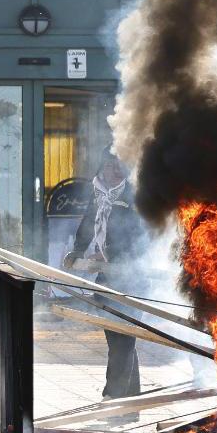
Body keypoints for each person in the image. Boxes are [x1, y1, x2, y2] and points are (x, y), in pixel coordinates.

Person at [65, 157, 147, 399]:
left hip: (132, 277)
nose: (116, 170)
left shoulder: (134, 195)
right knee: (118, 338)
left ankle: (113, 394)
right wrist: (79, 250)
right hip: (107, 276)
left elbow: (141, 233)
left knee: (124, 336)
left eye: (120, 165)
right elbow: (89, 223)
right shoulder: (99, 192)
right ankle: (130, 394)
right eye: (110, 165)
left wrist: (115, 254)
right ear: (101, 168)